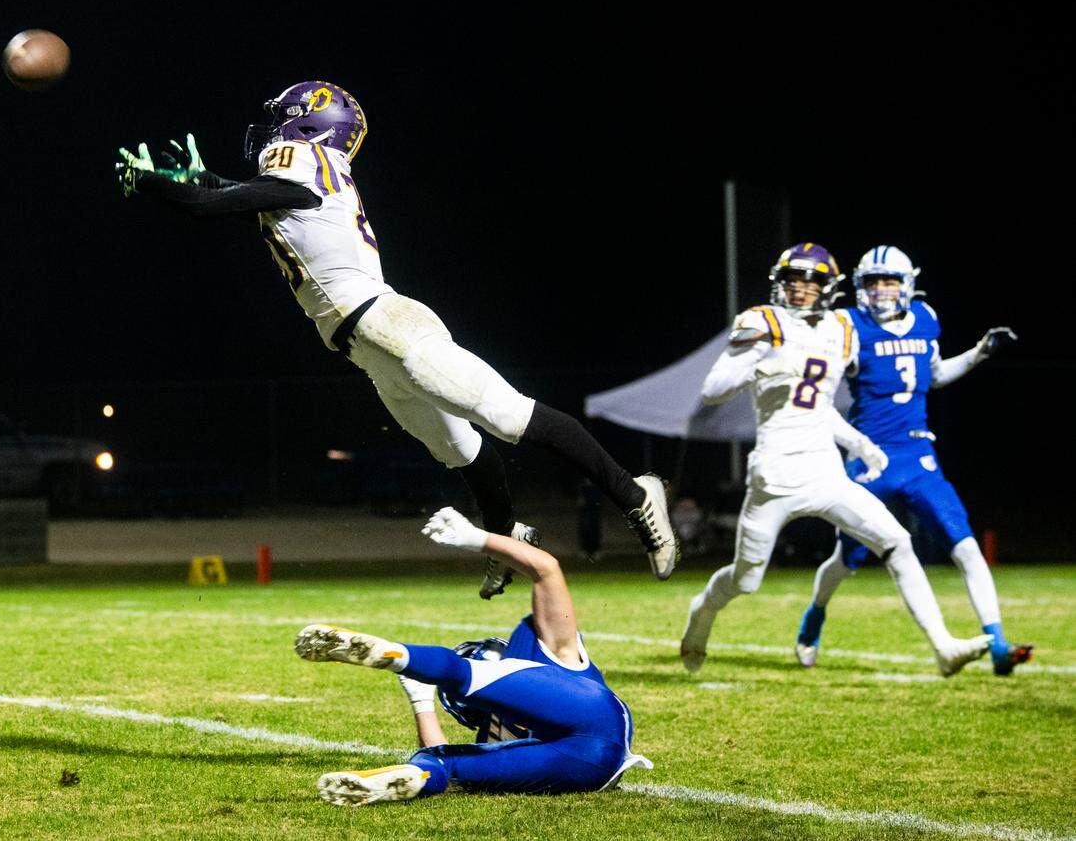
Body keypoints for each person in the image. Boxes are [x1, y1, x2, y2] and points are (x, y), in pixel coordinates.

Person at [114, 80, 677, 597]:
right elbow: (238, 195)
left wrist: (162, 185)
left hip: (389, 324)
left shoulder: (307, 164)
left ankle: (634, 495)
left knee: (507, 417)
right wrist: (198, 180)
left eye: (281, 120)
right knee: (459, 450)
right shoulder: (303, 174)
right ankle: (510, 540)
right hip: (366, 344)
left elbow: (206, 207)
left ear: (311, 126)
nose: (270, 131)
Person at [679, 243, 991, 677]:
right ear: (779, 284)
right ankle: (701, 616)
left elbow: (819, 406)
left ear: (829, 288)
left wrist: (860, 445)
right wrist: (754, 354)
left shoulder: (838, 332)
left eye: (812, 281)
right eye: (793, 280)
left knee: (898, 542)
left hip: (825, 471)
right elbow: (714, 389)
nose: (801, 289)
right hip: (775, 477)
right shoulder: (762, 322)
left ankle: (943, 647)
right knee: (745, 579)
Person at [293, 506, 651, 806]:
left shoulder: (491, 734)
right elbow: (546, 568)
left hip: (577, 771)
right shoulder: (550, 652)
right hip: (599, 746)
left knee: (441, 764)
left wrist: (422, 703)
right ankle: (400, 656)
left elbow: (442, 752)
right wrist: (475, 538)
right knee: (461, 675)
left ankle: (403, 668)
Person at [794, 245, 1031, 674]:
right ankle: (815, 614)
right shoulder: (847, 325)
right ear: (860, 286)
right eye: (873, 282)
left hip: (919, 454)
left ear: (908, 285)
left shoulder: (926, 318)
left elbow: (934, 374)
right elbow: (820, 390)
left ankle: (997, 641)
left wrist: (978, 353)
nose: (882, 290)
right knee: (846, 560)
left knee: (966, 546)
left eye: (889, 281)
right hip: (871, 459)